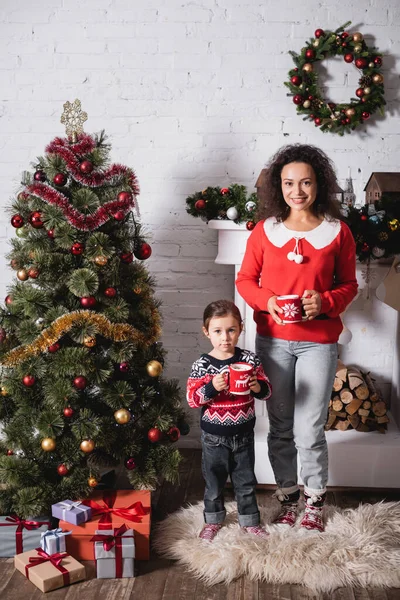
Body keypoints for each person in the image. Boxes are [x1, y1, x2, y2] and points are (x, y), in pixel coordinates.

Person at [236, 144, 358, 533]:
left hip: (318, 343)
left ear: (319, 184)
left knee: (310, 428)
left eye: (305, 182)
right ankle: (288, 499)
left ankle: (315, 503)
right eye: (289, 183)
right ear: (279, 186)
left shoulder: (338, 232)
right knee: (281, 425)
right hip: (273, 341)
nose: (297, 191)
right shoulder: (264, 231)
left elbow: (349, 286)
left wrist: (323, 301)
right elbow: (245, 281)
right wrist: (268, 301)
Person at [187, 299, 272, 542]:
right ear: (207, 332)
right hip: (214, 438)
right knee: (214, 484)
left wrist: (258, 386)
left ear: (240, 329)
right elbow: (193, 400)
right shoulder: (202, 365)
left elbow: (267, 392)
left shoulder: (250, 360)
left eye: (231, 330)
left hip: (244, 435)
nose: (225, 337)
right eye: (218, 331)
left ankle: (250, 521)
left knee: (245, 482)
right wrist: (212, 387)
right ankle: (213, 521)